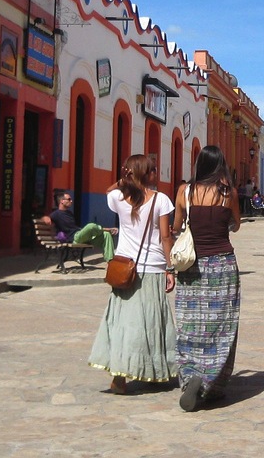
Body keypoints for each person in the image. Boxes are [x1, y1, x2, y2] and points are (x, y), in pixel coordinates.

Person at [88, 155, 177, 395]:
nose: (156, 174)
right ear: (145, 174)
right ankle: (150, 370)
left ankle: (120, 374)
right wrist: (171, 268)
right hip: (152, 267)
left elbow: (109, 189)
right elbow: (166, 237)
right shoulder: (161, 200)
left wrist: (124, 180)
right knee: (149, 322)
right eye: (152, 170)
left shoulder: (118, 197)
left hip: (125, 266)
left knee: (122, 323)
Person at [172, 145, 242, 412]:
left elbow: (177, 226)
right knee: (222, 324)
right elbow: (236, 223)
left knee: (190, 323)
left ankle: (191, 374)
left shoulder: (184, 192)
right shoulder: (229, 194)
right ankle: (212, 381)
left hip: (192, 268)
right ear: (220, 165)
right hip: (222, 265)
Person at [48, 191, 116, 261]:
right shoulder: (56, 214)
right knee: (91, 226)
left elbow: (74, 227)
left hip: (82, 236)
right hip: (75, 238)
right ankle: (105, 229)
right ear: (62, 201)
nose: (71, 201)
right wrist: (45, 219)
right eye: (69, 199)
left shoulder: (69, 213)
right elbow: (47, 218)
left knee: (106, 235)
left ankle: (110, 261)